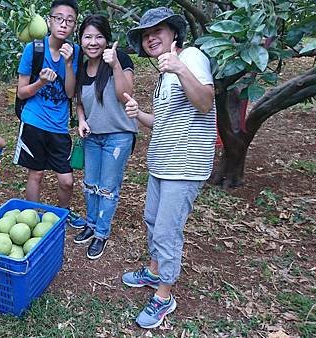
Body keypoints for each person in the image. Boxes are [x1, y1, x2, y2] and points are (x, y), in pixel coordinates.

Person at [121, 7, 217, 329]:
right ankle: (153, 271)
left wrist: (179, 68)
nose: (150, 38)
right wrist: (137, 115)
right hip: (162, 163)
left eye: (157, 31)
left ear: (174, 33)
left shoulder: (190, 57)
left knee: (167, 230)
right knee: (152, 219)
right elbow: (162, 123)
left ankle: (164, 296)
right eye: (145, 35)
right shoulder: (164, 75)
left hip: (185, 167)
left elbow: (205, 101)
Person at [13, 0, 86, 228]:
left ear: (75, 25)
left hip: (59, 126)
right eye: (59, 19)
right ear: (49, 21)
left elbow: (70, 93)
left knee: (67, 181)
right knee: (36, 174)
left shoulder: (75, 53)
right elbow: (22, 93)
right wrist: (41, 82)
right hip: (34, 122)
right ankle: (31, 218)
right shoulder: (34, 49)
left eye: (70, 20)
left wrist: (67, 64)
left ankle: (62, 214)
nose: (64, 24)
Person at [72, 15, 137, 260]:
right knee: (90, 185)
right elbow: (80, 102)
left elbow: (126, 94)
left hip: (118, 136)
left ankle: (101, 232)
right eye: (87, 36)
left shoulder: (118, 59)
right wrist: (81, 120)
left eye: (99, 36)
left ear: (106, 39)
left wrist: (115, 65)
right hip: (93, 136)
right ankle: (91, 223)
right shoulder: (81, 66)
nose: (93, 42)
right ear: (81, 40)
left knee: (107, 189)